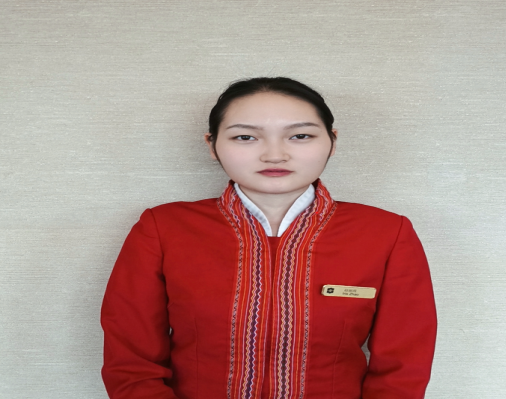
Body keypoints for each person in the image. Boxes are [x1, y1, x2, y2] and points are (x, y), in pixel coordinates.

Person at [101, 77, 437, 399]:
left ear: (332, 141)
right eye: (245, 137)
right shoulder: (163, 228)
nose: (274, 155)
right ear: (212, 145)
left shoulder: (386, 233)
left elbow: (403, 367)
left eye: (300, 136)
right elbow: (131, 362)